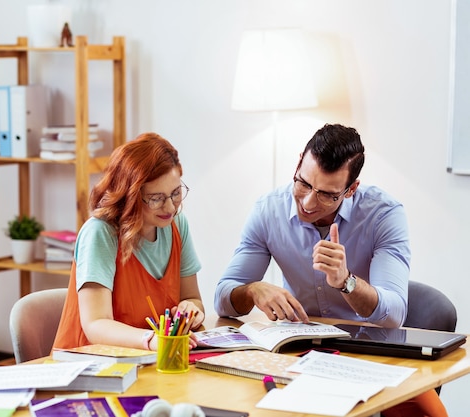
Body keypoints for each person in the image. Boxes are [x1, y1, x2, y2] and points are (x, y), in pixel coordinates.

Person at [215, 123, 445, 417]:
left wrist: (346, 282)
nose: (309, 202)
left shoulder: (384, 215)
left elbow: (395, 313)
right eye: (304, 183)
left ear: (351, 189)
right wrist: (252, 289)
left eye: (327, 194)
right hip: (300, 355)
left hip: (368, 356)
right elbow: (222, 297)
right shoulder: (268, 211)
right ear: (299, 162)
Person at [53, 132, 205, 352]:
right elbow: (95, 324)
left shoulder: (176, 224)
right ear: (130, 196)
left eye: (176, 193)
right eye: (156, 199)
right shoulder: (100, 233)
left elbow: (192, 297)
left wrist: (192, 310)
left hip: (150, 361)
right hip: (90, 365)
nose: (171, 207)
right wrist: (151, 340)